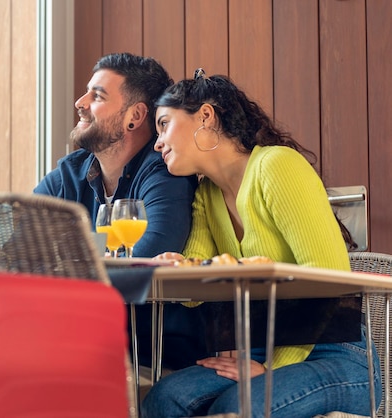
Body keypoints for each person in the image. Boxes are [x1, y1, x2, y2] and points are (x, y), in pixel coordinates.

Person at [141, 69, 381, 417]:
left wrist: (273, 368)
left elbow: (330, 277)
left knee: (238, 406)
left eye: (164, 124)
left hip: (336, 352)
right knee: (165, 398)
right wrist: (176, 265)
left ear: (205, 116)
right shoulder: (207, 193)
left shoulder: (277, 166)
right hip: (259, 348)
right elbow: (196, 289)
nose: (158, 142)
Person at [34, 52, 206, 370]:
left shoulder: (164, 174)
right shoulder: (69, 174)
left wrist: (71, 258)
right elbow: (20, 245)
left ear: (135, 116)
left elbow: (148, 256)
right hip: (80, 333)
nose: (80, 102)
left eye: (97, 95)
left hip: (154, 350)